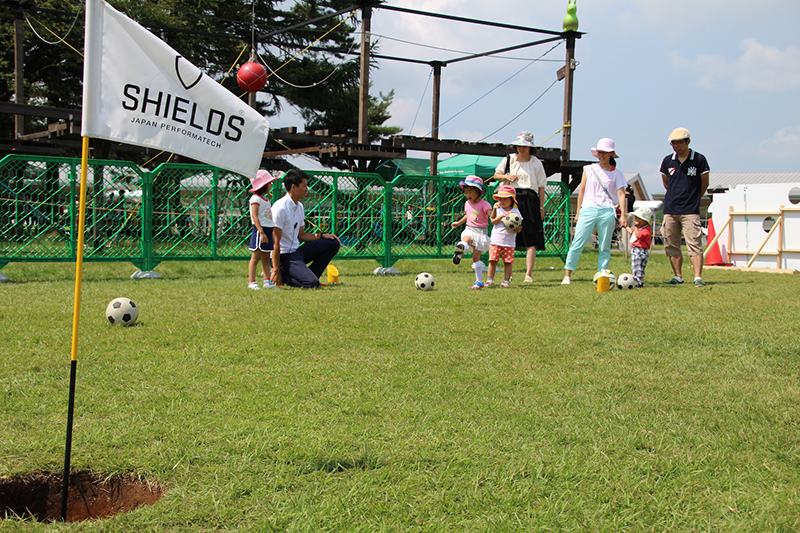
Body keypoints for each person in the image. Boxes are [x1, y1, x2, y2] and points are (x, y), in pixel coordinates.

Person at [562, 138, 628, 285]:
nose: (601, 155)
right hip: (588, 209)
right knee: (578, 242)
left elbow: (621, 195)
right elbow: (582, 191)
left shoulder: (617, 173)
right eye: (599, 152)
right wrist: (578, 211)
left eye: (604, 152)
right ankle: (567, 274)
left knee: (605, 246)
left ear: (611, 154)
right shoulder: (589, 169)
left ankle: (601, 275)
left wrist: (623, 215)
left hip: (607, 211)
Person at [271, 169, 341, 288]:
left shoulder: (299, 207)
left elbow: (301, 235)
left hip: (296, 251)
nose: (307, 189)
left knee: (333, 243)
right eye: (304, 186)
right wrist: (276, 268)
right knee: (311, 283)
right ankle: (284, 276)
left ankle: (309, 276)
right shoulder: (280, 208)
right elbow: (274, 242)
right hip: (284, 256)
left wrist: (323, 235)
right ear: (293, 187)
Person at [493, 131, 547, 283]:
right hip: (510, 198)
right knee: (508, 235)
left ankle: (528, 274)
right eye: (518, 146)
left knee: (531, 237)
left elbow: (541, 186)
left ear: (530, 148)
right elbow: (496, 175)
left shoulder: (536, 162)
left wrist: (541, 208)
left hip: (530, 199)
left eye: (524, 146)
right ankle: (508, 275)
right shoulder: (509, 159)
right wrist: (506, 177)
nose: (521, 149)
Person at [660, 127, 710, 287]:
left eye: (679, 143)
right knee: (671, 244)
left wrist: (694, 198)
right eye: (673, 144)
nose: (676, 147)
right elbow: (666, 182)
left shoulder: (699, 160)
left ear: (687, 142)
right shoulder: (668, 160)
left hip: (690, 210)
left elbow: (705, 183)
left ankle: (697, 277)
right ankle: (678, 276)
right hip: (670, 209)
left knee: (694, 243)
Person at [451, 175, 493, 289]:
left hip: (481, 232)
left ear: (478, 191)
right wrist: (458, 223)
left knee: (475, 258)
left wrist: (497, 213)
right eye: (466, 192)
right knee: (466, 239)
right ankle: (460, 249)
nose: (468, 195)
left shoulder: (485, 204)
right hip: (470, 228)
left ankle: (479, 282)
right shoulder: (467, 203)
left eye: (470, 192)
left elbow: (492, 215)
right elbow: (467, 216)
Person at [247, 170, 280, 290]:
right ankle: (252, 281)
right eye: (269, 183)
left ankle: (267, 281)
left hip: (268, 230)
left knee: (266, 258)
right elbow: (254, 216)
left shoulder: (266, 200)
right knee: (255, 257)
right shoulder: (255, 199)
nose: (271, 186)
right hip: (259, 231)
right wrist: (260, 232)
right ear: (263, 185)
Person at [486, 185, 523, 288]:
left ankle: (506, 280)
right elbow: (493, 221)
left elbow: (519, 226)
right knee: (493, 261)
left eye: (505, 199)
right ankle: (490, 279)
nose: (502, 201)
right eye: (500, 199)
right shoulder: (497, 209)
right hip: (496, 240)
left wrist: (517, 229)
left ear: (512, 199)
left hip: (509, 242)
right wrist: (501, 215)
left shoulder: (515, 212)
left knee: (508, 261)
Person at [626, 206, 653, 287]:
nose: (636, 221)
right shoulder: (640, 229)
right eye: (635, 219)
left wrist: (636, 227)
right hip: (635, 249)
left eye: (638, 219)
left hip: (640, 250)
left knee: (638, 266)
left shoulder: (646, 230)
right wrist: (626, 226)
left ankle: (638, 281)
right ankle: (637, 280)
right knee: (635, 265)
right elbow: (632, 232)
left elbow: (639, 236)